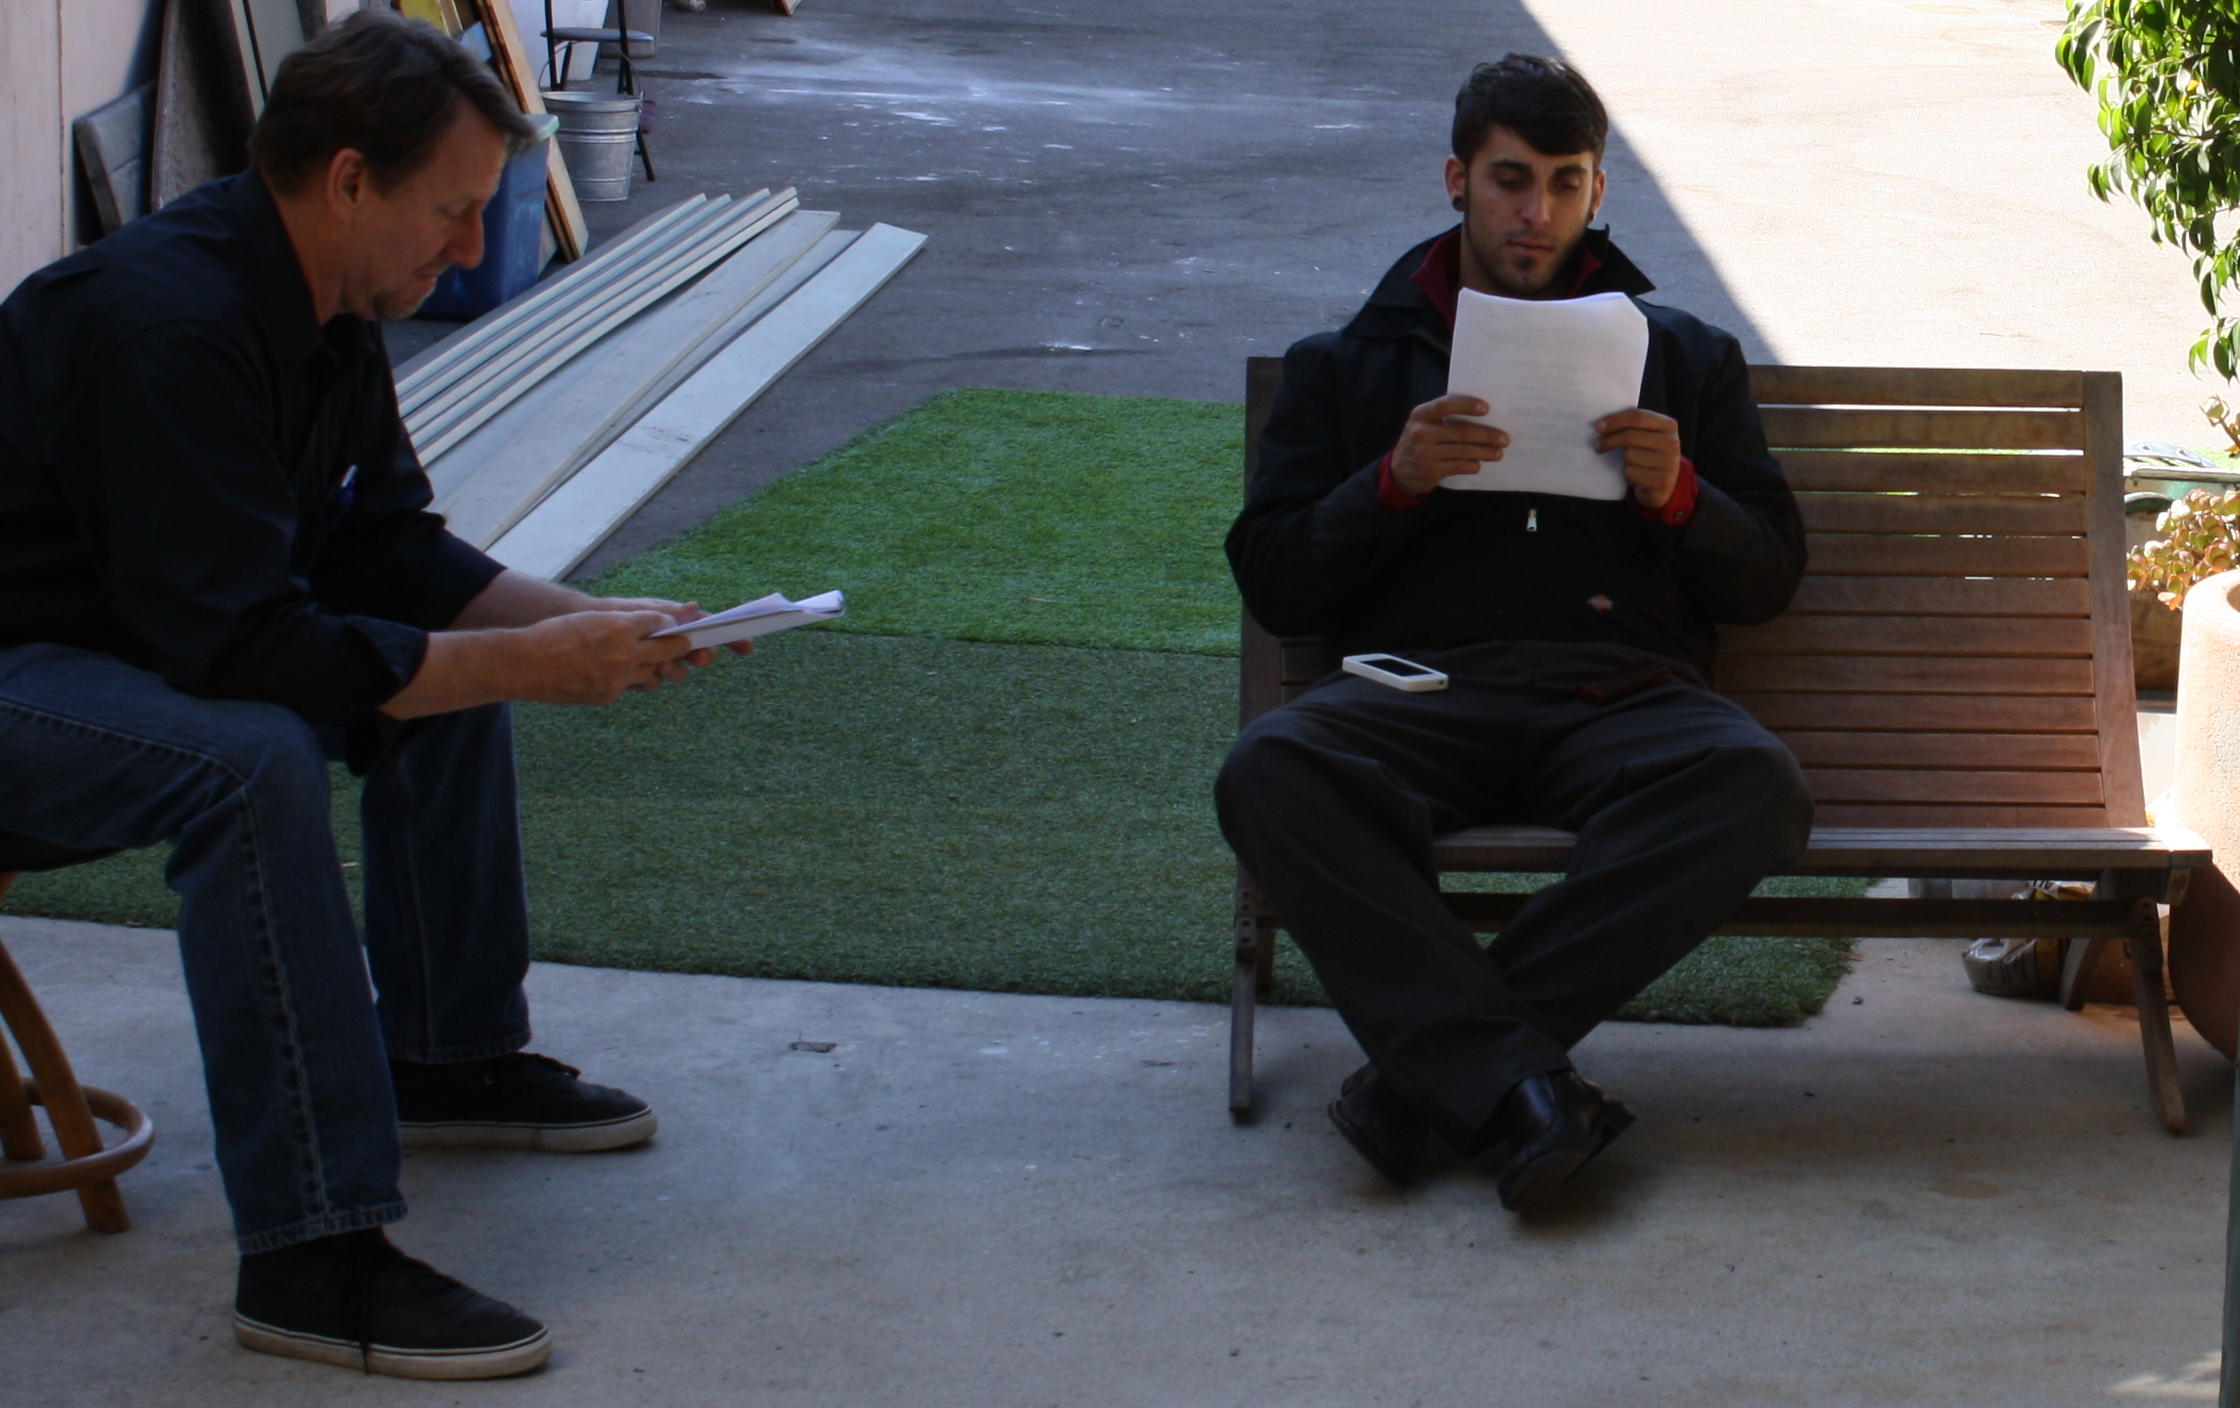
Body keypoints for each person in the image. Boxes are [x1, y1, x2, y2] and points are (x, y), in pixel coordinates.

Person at [0, 11, 739, 1379]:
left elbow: (391, 549)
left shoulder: (327, 301)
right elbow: (244, 651)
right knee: (250, 758)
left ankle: (448, 1054)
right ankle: (309, 1251)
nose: (472, 251)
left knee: (420, 646)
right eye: (452, 214)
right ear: (348, 181)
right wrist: (528, 663)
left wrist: (599, 627)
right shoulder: (164, 323)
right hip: (25, 678)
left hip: (112, 656)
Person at [1215, 54, 1814, 1212]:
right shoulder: (1344, 367)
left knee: (1753, 783)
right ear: (1456, 180)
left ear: (1596, 194)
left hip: (1620, 694)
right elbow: (1277, 583)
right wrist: (1387, 482)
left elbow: (1769, 576)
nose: (1532, 213)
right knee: (1270, 768)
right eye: (1507, 180)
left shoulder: (1685, 358)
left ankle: (1428, 1081)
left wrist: (1681, 495)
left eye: (1562, 182)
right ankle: (1523, 1090)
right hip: (1420, 691)